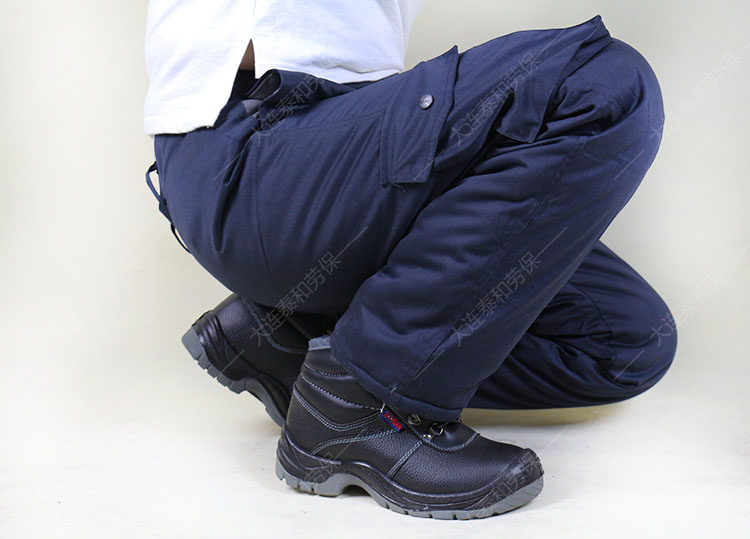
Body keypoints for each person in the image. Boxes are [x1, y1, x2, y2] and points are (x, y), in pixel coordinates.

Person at [143, 0, 676, 520]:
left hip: (351, 152)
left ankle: (298, 339)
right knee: (600, 80)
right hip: (256, 146)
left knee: (624, 343)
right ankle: (364, 402)